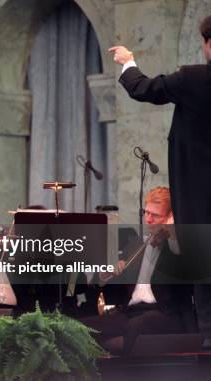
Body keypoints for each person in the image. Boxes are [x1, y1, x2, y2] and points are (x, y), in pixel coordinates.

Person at [110, 15, 211, 347]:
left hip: (199, 207)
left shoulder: (194, 78)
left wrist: (128, 62)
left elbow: (144, 89)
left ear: (208, 44)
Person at [81, 187, 193, 354]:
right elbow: (113, 291)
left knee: (137, 326)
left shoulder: (178, 246)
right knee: (78, 327)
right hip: (131, 312)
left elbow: (182, 260)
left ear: (170, 217)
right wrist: (106, 275)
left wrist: (173, 233)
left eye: (155, 215)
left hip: (165, 312)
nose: (148, 219)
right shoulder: (135, 245)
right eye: (146, 213)